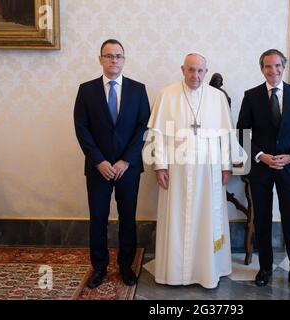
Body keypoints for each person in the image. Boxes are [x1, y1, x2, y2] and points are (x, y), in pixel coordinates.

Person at [146, 53, 233, 289]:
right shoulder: (167, 95)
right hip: (177, 171)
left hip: (209, 172)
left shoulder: (217, 98)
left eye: (200, 71)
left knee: (207, 216)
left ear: (206, 72)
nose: (195, 75)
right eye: (191, 70)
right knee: (177, 216)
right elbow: (159, 136)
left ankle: (207, 270)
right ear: (182, 69)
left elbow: (225, 135)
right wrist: (160, 165)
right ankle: (175, 272)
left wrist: (227, 166)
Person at [237, 49, 290, 295]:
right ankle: (265, 269)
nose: (273, 71)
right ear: (261, 69)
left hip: (289, 168)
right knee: (261, 218)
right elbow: (242, 132)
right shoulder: (250, 96)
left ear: (284, 66)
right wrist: (261, 156)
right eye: (268, 67)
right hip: (261, 169)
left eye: (277, 66)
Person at [74, 39, 150, 289]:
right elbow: (81, 128)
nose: (114, 60)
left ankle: (126, 267)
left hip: (127, 168)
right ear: (100, 59)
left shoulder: (138, 90)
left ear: (124, 60)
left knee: (128, 218)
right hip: (99, 169)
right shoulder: (86, 90)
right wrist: (99, 161)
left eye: (118, 56)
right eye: (108, 56)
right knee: (98, 219)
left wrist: (125, 160)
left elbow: (143, 127)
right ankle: (99, 268)